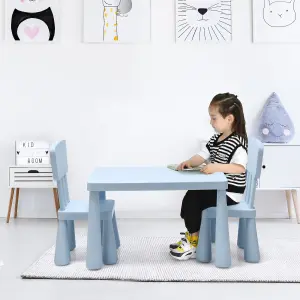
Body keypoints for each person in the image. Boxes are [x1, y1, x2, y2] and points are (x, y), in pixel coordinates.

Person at [170, 93, 248, 261]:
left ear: (229, 119)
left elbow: (240, 168)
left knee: (193, 199)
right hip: (218, 188)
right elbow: (203, 154)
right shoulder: (216, 139)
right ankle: (193, 235)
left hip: (229, 192)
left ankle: (193, 242)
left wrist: (216, 167)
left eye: (214, 118)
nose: (210, 122)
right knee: (191, 196)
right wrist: (189, 162)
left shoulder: (238, 142)